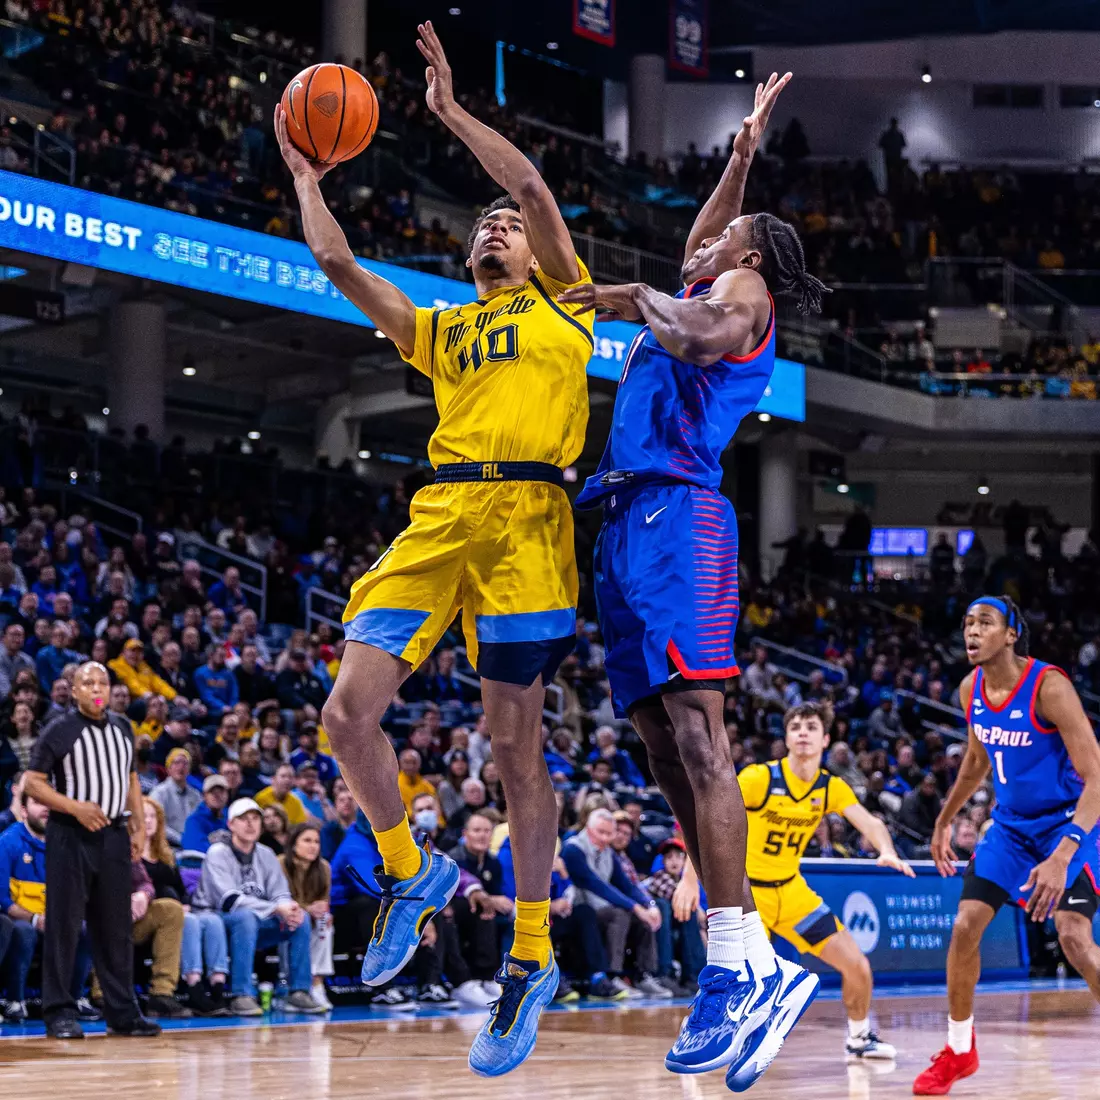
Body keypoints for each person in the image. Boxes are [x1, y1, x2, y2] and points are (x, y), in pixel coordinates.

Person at [278, 19, 596, 1076]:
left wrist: (451, 111)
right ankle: (410, 871)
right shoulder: (441, 330)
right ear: (468, 256)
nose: (498, 226)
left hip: (527, 525)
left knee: (513, 750)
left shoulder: (564, 298)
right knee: (342, 712)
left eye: (506, 222)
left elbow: (540, 192)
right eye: (485, 226)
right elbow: (331, 258)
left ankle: (530, 954)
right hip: (438, 519)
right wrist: (302, 168)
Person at [562, 72, 819, 1088]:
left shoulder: (739, 297)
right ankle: (755, 958)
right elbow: (698, 255)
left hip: (679, 521)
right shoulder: (716, 268)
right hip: (629, 521)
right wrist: (741, 152)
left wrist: (632, 297)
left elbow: (694, 328)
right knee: (659, 743)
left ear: (745, 258)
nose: (696, 245)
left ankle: (722, 972)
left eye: (719, 239)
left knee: (702, 740)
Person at [914, 597, 1100, 1095]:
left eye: (985, 623)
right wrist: (944, 820)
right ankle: (958, 1050)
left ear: (1012, 634)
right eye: (967, 624)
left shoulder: (1050, 687)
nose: (972, 632)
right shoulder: (969, 688)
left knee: (1074, 937)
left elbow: (1096, 776)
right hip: (1012, 828)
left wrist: (1063, 854)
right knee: (964, 928)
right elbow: (976, 761)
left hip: (1070, 825)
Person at [684, 702, 913, 1063]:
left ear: (825, 738)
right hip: (746, 894)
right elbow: (707, 822)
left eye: (811, 727)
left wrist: (886, 849)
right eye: (796, 727)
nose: (803, 733)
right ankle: (703, 1042)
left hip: (791, 892)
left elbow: (869, 823)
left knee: (857, 966)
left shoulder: (829, 787)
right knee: (733, 983)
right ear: (787, 738)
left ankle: (859, 1038)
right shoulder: (760, 778)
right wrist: (687, 881)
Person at [23, 661, 159, 1038]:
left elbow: (131, 776)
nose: (96, 687)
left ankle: (122, 1013)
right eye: (88, 682)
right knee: (65, 925)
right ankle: (59, 1011)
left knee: (116, 927)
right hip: (70, 835)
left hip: (114, 836)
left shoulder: (122, 727)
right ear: (75, 690)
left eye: (102, 681)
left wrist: (136, 826)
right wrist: (75, 807)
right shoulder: (59, 729)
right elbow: (32, 783)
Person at [191, 797, 326, 1016]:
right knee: (245, 917)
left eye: (255, 819)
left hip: (254, 922)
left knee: (298, 919)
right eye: (243, 819)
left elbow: (280, 893)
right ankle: (241, 994)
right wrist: (274, 909)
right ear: (231, 824)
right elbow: (229, 900)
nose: (251, 824)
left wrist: (288, 907)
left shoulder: (266, 854)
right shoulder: (217, 853)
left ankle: (299, 992)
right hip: (216, 921)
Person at [0, 793, 93, 1022]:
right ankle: (15, 1001)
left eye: (49, 804)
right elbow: (3, 900)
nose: (45, 809)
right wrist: (34, 919)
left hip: (54, 918)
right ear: (23, 810)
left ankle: (74, 999)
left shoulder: (64, 845)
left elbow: (75, 892)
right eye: (38, 802)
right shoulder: (7, 842)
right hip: (19, 918)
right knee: (24, 931)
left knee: (84, 928)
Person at [561, 808, 665, 996]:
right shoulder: (573, 849)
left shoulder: (609, 852)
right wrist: (635, 907)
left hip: (603, 908)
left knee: (644, 919)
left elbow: (627, 885)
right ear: (588, 828)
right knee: (621, 913)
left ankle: (643, 975)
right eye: (600, 832)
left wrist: (649, 905)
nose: (605, 838)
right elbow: (597, 885)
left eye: (609, 834)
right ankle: (612, 975)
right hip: (580, 911)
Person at [142, 797, 229, 1016]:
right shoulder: (129, 855)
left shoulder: (166, 855)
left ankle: (217, 987)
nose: (148, 821)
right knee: (185, 919)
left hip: (174, 910)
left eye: (153, 816)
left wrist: (186, 904)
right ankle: (194, 987)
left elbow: (180, 890)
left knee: (212, 920)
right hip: (147, 915)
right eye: (143, 816)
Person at [279, 822, 334, 1010]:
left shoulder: (324, 868)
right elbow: (279, 898)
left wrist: (322, 908)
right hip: (284, 919)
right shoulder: (280, 864)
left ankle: (316, 983)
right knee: (298, 919)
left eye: (317, 842)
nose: (313, 846)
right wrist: (307, 909)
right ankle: (301, 986)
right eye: (307, 841)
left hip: (312, 920)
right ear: (294, 844)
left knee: (326, 921)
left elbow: (324, 899)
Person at [150, 747, 201, 847]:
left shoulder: (195, 795)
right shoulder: (159, 793)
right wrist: (182, 840)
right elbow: (157, 824)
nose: (181, 767)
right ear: (168, 768)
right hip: (167, 844)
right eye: (176, 762)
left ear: (189, 769)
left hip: (192, 843)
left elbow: (199, 820)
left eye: (185, 763)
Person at [180, 774, 230, 853]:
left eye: (221, 791)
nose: (217, 795)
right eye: (212, 792)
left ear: (227, 794)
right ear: (204, 796)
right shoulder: (194, 821)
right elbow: (194, 849)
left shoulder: (231, 818)